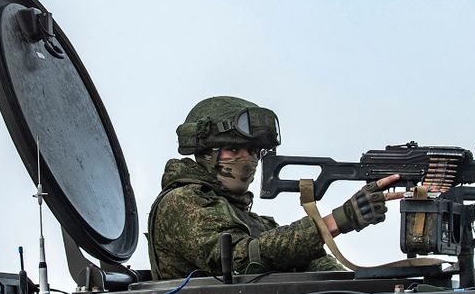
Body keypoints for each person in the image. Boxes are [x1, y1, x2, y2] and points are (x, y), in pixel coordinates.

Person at [148, 96, 399, 280]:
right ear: (205, 154)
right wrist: (338, 220)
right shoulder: (181, 201)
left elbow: (312, 265)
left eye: (253, 152)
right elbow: (240, 260)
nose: (247, 160)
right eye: (234, 150)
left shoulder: (251, 220)